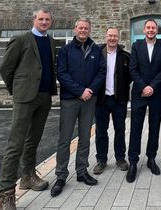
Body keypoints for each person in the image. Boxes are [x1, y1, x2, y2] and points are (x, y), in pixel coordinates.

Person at [0, 9, 57, 210]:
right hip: (25, 97)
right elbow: (5, 68)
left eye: (47, 19)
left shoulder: (50, 41)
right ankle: (6, 193)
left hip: (44, 97)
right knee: (16, 144)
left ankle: (28, 176)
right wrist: (16, 90)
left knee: (34, 140)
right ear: (34, 20)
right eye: (40, 19)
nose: (44, 22)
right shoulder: (21, 39)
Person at [50, 17, 106, 197]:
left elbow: (101, 72)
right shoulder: (66, 50)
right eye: (80, 28)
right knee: (64, 139)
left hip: (89, 100)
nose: (83, 31)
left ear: (89, 30)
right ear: (75, 29)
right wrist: (80, 91)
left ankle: (82, 171)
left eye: (86, 28)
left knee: (84, 138)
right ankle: (61, 176)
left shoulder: (96, 50)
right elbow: (62, 74)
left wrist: (89, 90)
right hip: (70, 100)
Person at [126, 19, 161, 183]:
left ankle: (151, 158)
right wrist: (143, 87)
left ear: (157, 31)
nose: (151, 30)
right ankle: (133, 162)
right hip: (139, 94)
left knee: (155, 128)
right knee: (136, 128)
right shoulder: (137, 46)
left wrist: (152, 87)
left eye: (153, 28)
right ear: (144, 30)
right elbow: (133, 69)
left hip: (156, 94)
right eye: (148, 28)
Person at [92, 28, 131, 175]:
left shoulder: (125, 56)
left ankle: (120, 158)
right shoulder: (97, 54)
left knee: (120, 130)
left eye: (115, 36)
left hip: (118, 100)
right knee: (101, 131)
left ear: (118, 38)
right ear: (106, 37)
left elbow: (130, 76)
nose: (112, 38)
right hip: (101, 99)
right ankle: (101, 160)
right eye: (110, 36)